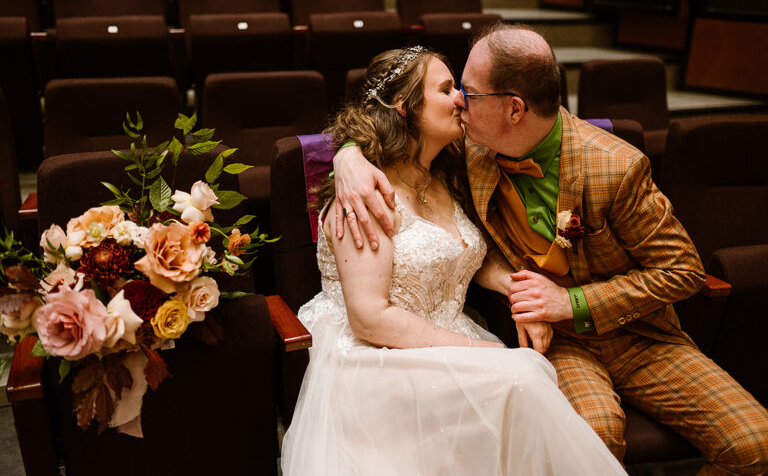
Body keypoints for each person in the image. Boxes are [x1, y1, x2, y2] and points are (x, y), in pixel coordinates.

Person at [332, 24, 768, 474]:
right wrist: (348, 157)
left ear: (514, 108)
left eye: (470, 92)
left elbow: (683, 270)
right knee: (594, 442)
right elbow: (390, 126)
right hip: (558, 342)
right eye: (454, 89)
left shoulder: (615, 166)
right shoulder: (468, 147)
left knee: (757, 444)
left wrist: (570, 301)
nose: (460, 101)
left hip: (642, 336)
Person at [281, 46, 626, 475]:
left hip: (444, 335)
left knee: (523, 382)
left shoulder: (448, 171)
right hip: (375, 357)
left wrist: (515, 289)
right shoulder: (365, 195)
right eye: (446, 89)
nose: (461, 99)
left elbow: (460, 254)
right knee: (522, 379)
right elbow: (369, 318)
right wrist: (482, 350)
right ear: (405, 107)